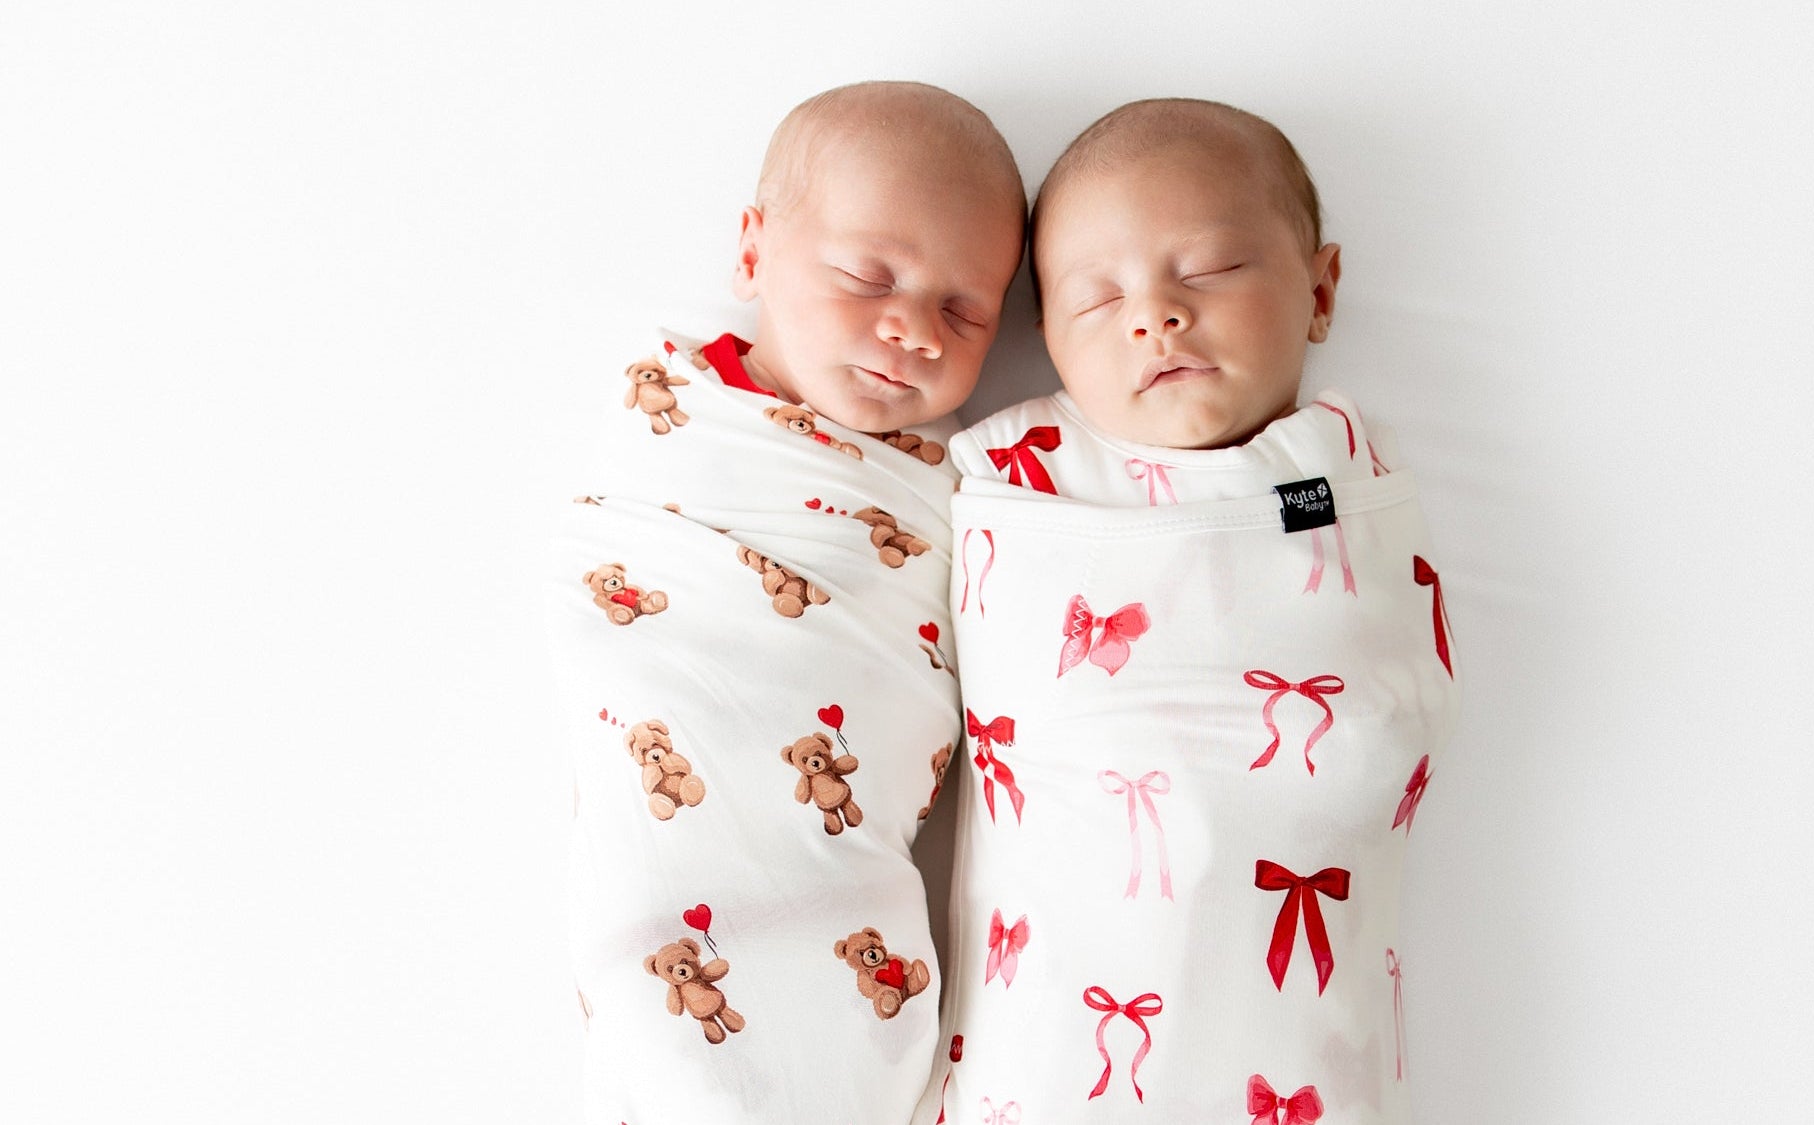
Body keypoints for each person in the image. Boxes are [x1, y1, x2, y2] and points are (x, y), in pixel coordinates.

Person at [921, 99, 1461, 1124]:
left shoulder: (1345, 473)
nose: (1155, 315)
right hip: (1052, 1058)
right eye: (1096, 298)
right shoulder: (1013, 475)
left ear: (1320, 290)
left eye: (1208, 270)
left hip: (1302, 1053)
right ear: (1049, 340)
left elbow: (1388, 712)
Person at [545, 81, 1024, 1124]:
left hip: (841, 888)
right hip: (662, 875)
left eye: (964, 311)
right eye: (867, 276)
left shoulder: (964, 486)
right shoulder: (674, 417)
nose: (911, 328)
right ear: (753, 251)